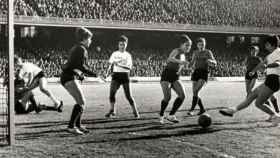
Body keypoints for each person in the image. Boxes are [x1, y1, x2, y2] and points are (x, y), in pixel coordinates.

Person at [219, 35, 280, 125]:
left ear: (271, 44)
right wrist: (253, 71)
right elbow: (261, 64)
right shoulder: (269, 55)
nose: (265, 46)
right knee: (251, 95)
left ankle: (276, 116)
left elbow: (278, 63)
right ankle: (233, 110)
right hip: (270, 80)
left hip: (274, 80)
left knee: (258, 103)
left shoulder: (278, 52)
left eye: (266, 44)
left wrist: (267, 66)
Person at [60, 27, 98, 135]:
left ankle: (78, 125)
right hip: (69, 77)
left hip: (68, 76)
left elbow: (73, 65)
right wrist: (94, 74)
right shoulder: (81, 49)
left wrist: (79, 75)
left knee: (80, 102)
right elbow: (81, 66)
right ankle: (71, 127)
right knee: (81, 102)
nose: (91, 41)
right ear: (85, 38)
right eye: (90, 39)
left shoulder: (76, 48)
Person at [159, 34, 192, 124]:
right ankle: (161, 114)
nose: (189, 47)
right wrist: (181, 62)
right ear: (181, 45)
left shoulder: (183, 55)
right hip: (167, 75)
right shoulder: (177, 50)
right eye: (187, 45)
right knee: (167, 97)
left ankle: (171, 115)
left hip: (175, 76)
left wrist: (182, 68)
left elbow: (178, 68)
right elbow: (169, 59)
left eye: (190, 45)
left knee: (182, 95)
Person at [105, 35, 140, 118]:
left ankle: (135, 111)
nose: (122, 46)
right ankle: (112, 110)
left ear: (126, 45)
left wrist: (118, 64)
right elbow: (110, 64)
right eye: (120, 44)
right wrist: (106, 73)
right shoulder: (114, 54)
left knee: (128, 96)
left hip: (124, 76)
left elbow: (129, 67)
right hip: (116, 75)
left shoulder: (128, 55)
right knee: (111, 94)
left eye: (123, 44)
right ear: (118, 45)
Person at [245, 46, 279, 114]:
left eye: (254, 50)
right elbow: (247, 64)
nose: (253, 52)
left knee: (269, 95)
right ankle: (271, 111)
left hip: (263, 76)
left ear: (257, 52)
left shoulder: (259, 59)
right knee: (250, 91)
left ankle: (275, 110)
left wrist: (261, 71)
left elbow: (263, 66)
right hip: (250, 74)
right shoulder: (248, 58)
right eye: (252, 50)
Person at [188, 38, 217, 116]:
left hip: (204, 73)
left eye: (203, 44)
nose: (201, 46)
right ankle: (202, 109)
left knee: (196, 91)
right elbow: (192, 62)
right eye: (200, 44)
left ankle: (191, 109)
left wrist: (210, 61)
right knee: (195, 92)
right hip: (196, 72)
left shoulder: (208, 52)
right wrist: (187, 64)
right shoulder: (195, 52)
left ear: (205, 44)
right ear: (197, 45)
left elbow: (215, 62)